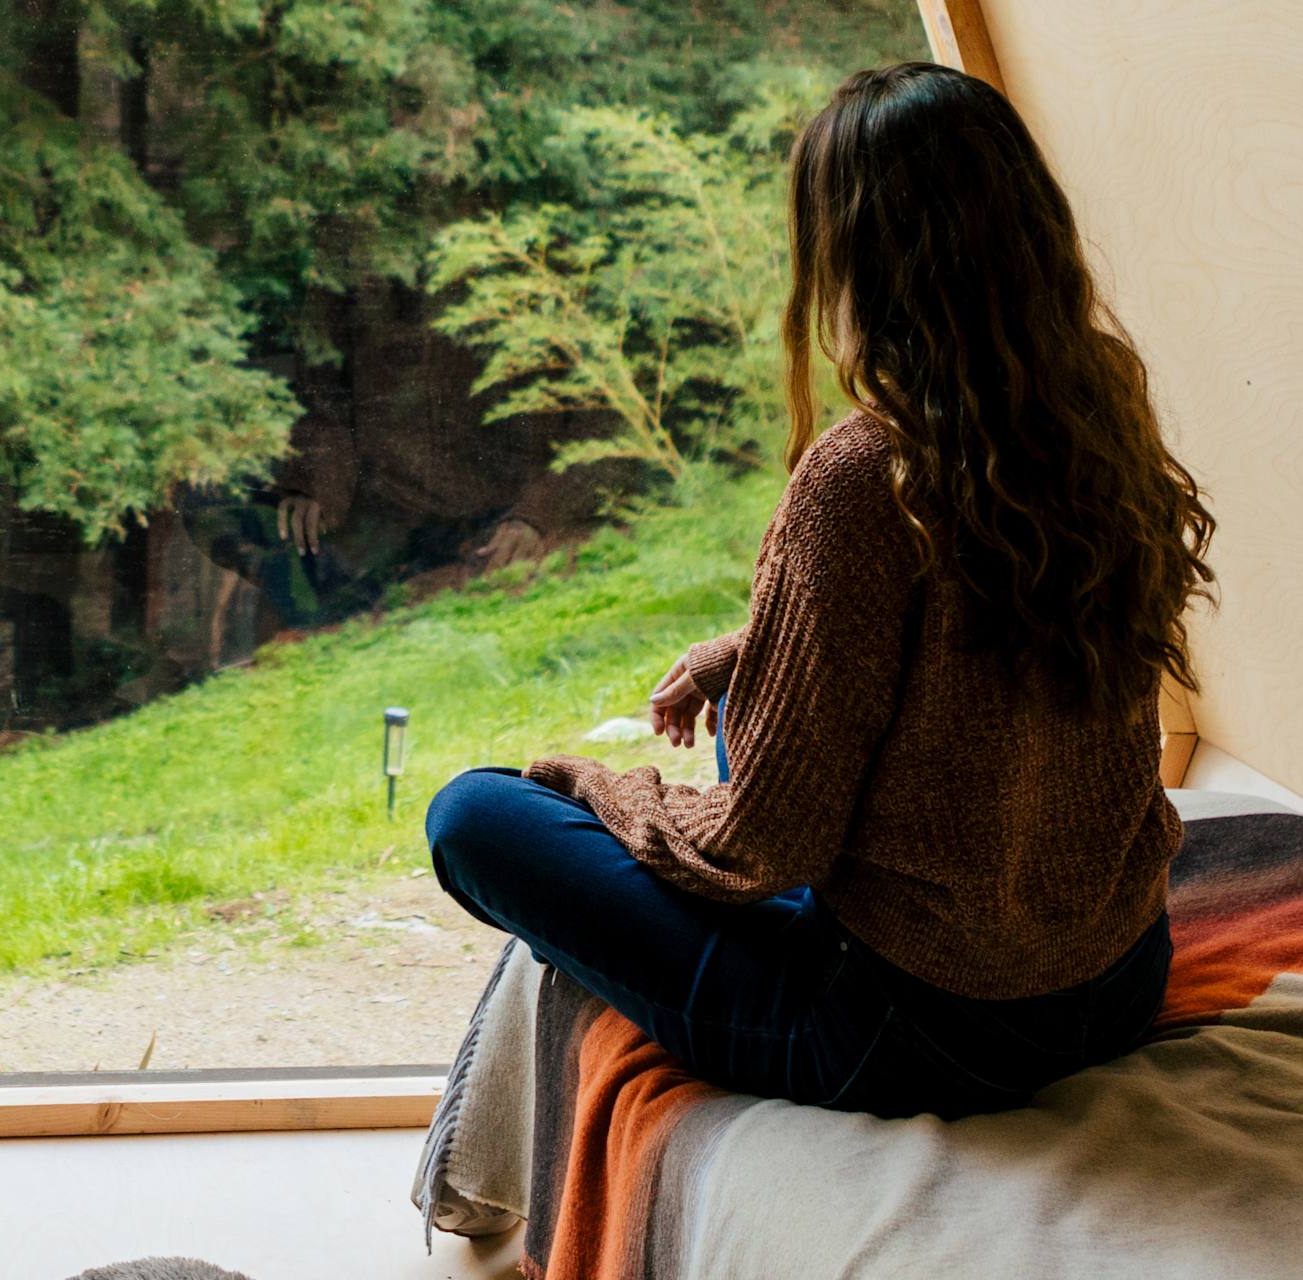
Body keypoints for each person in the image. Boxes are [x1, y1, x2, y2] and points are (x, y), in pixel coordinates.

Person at [423, 62, 1214, 1118]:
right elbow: (973, 655)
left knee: (472, 815)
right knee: (736, 730)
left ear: (855, 256)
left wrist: (601, 791)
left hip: (918, 1033)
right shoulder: (1098, 406)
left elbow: (767, 845)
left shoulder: (862, 474)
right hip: (1116, 981)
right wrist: (746, 650)